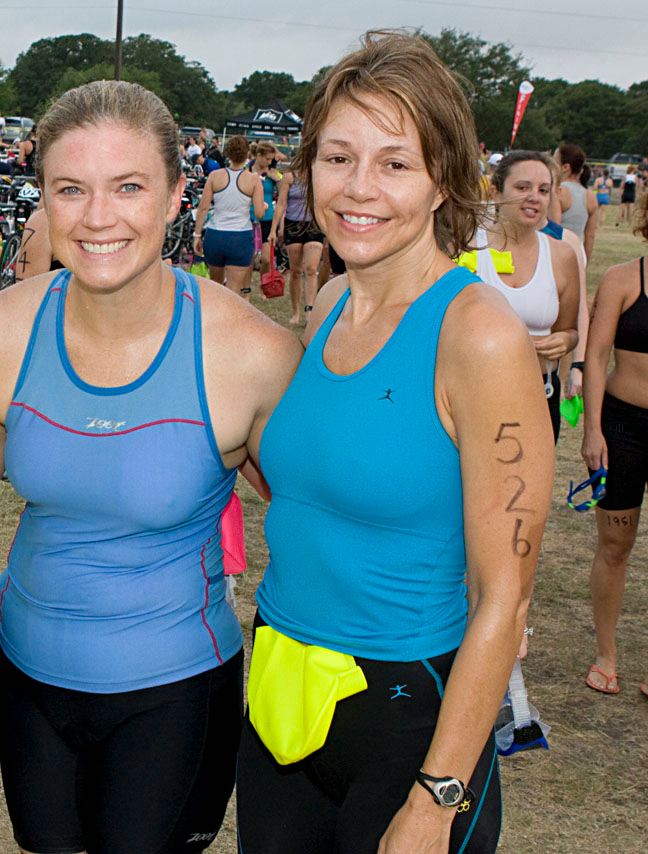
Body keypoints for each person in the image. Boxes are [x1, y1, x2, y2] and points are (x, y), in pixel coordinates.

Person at [0, 80, 301, 854]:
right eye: (71, 189)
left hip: (176, 690)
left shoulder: (253, 354)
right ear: (43, 199)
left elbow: (316, 516)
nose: (98, 217)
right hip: (27, 678)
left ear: (179, 194)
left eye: (128, 187)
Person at [236, 32, 551, 853]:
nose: (359, 188)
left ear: (443, 178)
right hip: (282, 691)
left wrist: (437, 798)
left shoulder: (478, 335)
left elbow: (505, 598)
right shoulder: (330, 302)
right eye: (338, 158)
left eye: (395, 163)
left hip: (410, 719)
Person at [580, 190, 648, 696]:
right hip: (624, 430)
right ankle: (607, 655)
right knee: (615, 545)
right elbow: (597, 355)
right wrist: (592, 430)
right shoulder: (623, 279)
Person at [472, 151, 581, 443]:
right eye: (522, 187)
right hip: (471, 394)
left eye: (543, 190)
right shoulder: (465, 247)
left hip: (538, 395)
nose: (534, 197)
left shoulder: (562, 255)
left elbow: (569, 330)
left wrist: (565, 340)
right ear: (496, 192)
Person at [193, 133, 267, 299]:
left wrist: (197, 235)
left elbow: (203, 208)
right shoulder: (253, 180)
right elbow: (259, 213)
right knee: (233, 293)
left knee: (216, 288)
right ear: (247, 154)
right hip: (240, 237)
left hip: (216, 235)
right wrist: (263, 206)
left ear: (227, 153)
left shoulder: (215, 176)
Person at [273, 170, 325, 325]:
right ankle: (296, 312)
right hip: (293, 225)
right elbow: (281, 203)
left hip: (313, 225)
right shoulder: (290, 176)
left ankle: (310, 311)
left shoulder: (318, 173)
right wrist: (274, 229)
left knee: (311, 269)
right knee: (295, 270)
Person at [556, 144, 598, 261]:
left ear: (565, 167)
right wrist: (585, 262)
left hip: (558, 253)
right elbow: (590, 236)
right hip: (579, 253)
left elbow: (554, 230)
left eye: (555, 161)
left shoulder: (558, 191)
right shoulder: (590, 195)